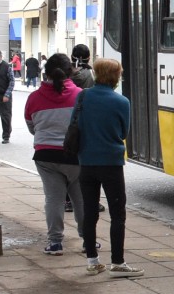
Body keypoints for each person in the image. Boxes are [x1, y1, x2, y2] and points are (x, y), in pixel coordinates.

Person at [74, 58, 142, 277]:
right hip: (111, 163)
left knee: (90, 211)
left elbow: (75, 125)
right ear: (115, 76)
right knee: (117, 214)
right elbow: (123, 133)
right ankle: (118, 262)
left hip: (86, 162)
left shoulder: (82, 96)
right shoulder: (121, 102)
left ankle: (92, 260)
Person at [26, 54, 85, 255]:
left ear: (46, 72)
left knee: (53, 199)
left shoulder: (33, 98)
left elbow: (32, 127)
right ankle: (88, 240)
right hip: (76, 156)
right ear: (70, 71)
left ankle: (55, 243)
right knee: (81, 200)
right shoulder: (81, 95)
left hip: (45, 156)